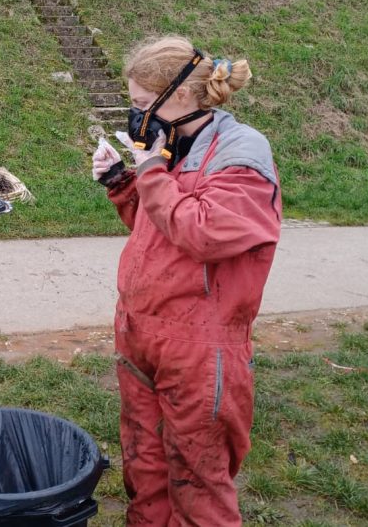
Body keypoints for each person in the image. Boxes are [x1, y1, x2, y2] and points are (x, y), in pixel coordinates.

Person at [91, 36, 282, 526]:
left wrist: (150, 170)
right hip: (140, 334)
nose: (134, 116)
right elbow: (160, 229)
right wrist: (122, 182)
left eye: (138, 104)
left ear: (176, 96)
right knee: (146, 468)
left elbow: (204, 233)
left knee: (198, 481)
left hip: (199, 347)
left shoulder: (241, 150)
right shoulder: (171, 145)